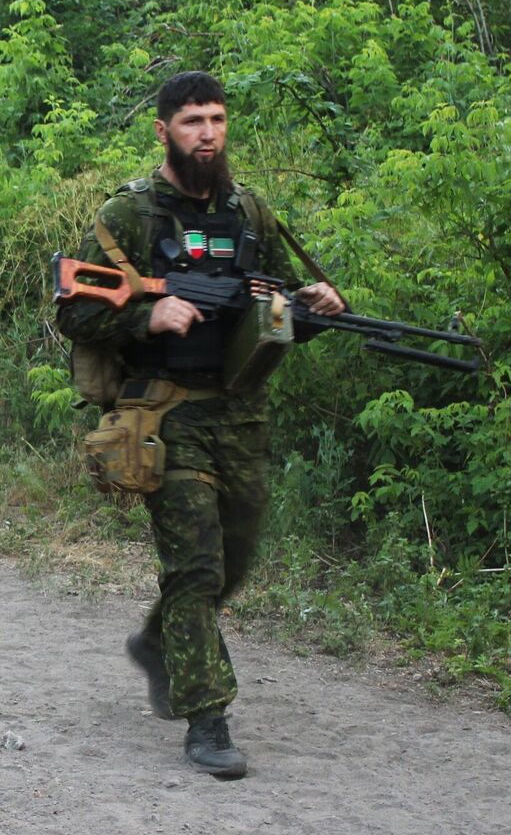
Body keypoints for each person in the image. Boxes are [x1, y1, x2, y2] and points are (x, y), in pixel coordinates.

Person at [55, 71, 344, 780]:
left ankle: (159, 642)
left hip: (240, 413)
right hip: (163, 412)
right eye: (192, 122)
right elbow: (71, 308)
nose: (208, 133)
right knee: (196, 567)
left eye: (216, 119)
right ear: (164, 132)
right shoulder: (128, 216)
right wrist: (144, 314)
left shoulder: (250, 211)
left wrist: (312, 305)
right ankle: (207, 718)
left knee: (234, 563)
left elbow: (271, 305)